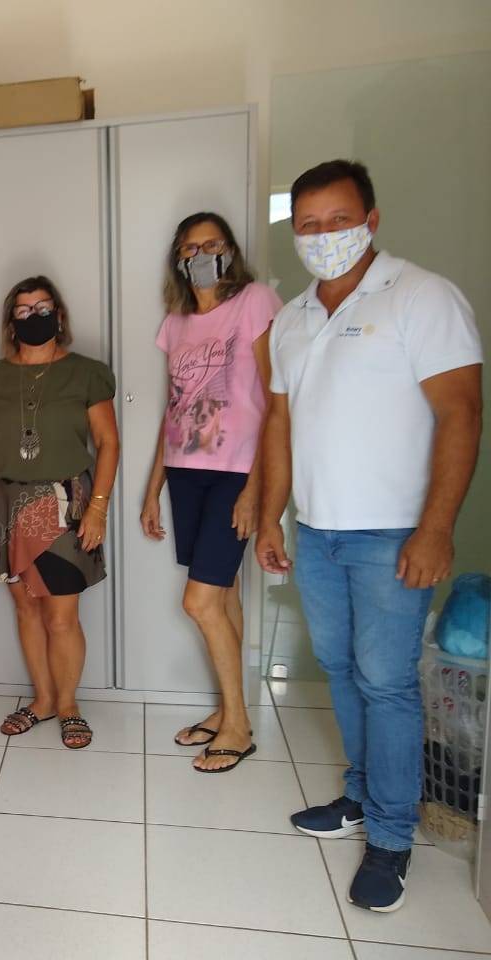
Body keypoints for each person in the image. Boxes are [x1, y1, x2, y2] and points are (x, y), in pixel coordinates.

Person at [257, 160, 482, 911]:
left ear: (371, 220)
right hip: (317, 530)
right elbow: (281, 423)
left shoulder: (421, 296)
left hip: (392, 534)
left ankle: (390, 837)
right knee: (342, 670)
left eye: (339, 220)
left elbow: (461, 413)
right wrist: (271, 515)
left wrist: (435, 529)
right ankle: (359, 796)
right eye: (309, 224)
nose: (323, 235)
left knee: (386, 684)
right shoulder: (291, 318)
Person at [139, 214, 281, 772]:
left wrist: (255, 489)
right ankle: (228, 711)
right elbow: (172, 410)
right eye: (190, 248)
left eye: (211, 245)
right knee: (223, 597)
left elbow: (276, 401)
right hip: (186, 473)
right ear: (178, 258)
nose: (200, 255)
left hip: (234, 473)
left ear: (230, 250)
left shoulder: (255, 301)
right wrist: (153, 488)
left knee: (198, 601)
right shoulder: (175, 323)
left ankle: (238, 727)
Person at [0, 277, 119, 748]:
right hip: (4, 505)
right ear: (11, 322)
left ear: (59, 314)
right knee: (26, 609)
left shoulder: (87, 373)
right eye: (24, 310)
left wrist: (98, 509)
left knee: (61, 616)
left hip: (66, 504)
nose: (34, 316)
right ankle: (44, 699)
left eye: (43, 307)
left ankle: (69, 705)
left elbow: (108, 443)